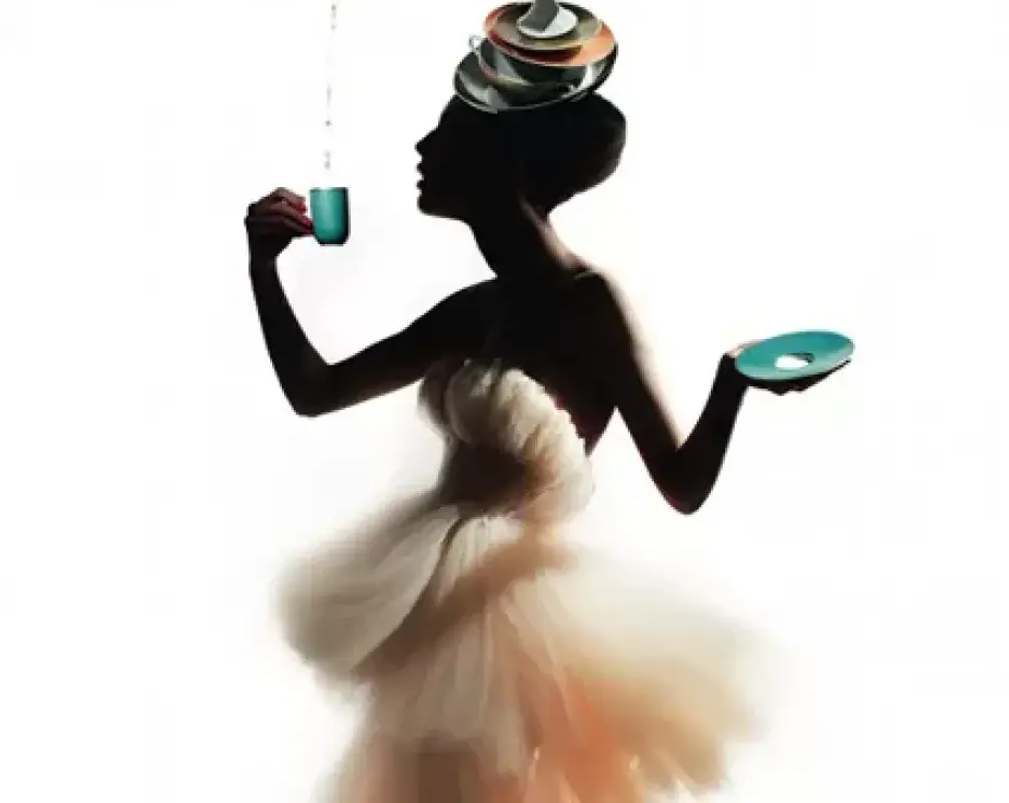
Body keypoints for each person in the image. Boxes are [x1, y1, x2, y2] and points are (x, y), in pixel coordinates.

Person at [245, 93, 839, 802]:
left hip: (521, 618)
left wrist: (732, 380)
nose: (424, 147)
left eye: (451, 131)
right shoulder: (479, 308)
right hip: (430, 603)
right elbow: (316, 391)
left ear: (509, 162)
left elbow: (682, 484)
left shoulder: (586, 302)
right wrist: (263, 267)